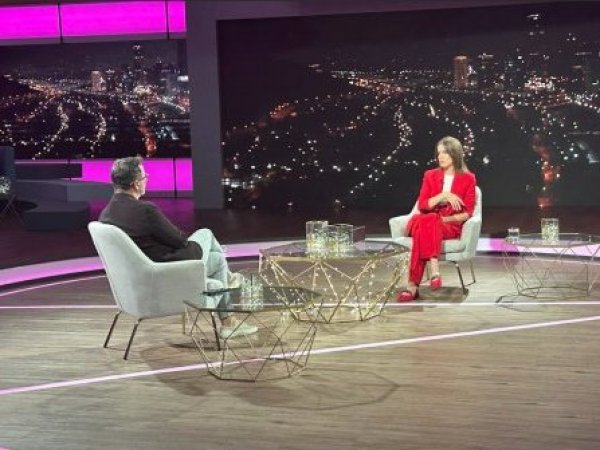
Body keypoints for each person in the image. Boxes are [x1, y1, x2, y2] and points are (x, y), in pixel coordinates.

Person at [99, 156, 256, 338]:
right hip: (168, 273)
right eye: (144, 177)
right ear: (135, 184)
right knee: (206, 233)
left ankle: (229, 319)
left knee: (217, 259)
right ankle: (229, 288)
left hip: (140, 282)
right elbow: (180, 241)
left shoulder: (106, 215)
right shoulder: (145, 211)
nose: (146, 180)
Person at [397, 136, 477, 302]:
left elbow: (467, 213)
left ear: (455, 154)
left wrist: (444, 220)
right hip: (426, 219)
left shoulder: (468, 178)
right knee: (429, 219)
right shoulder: (430, 175)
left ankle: (412, 286)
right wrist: (443, 195)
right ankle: (434, 269)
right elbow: (422, 205)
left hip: (448, 224)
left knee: (425, 227)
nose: (440, 156)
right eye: (438, 153)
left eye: (445, 153)